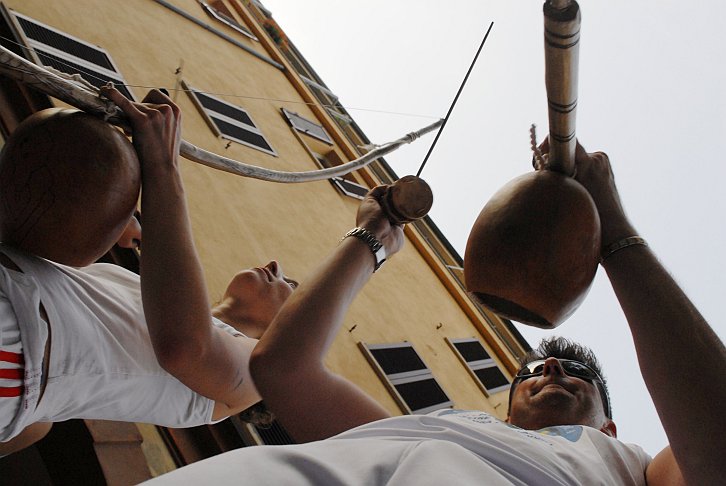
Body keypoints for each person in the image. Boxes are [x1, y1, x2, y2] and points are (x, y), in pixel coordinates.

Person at [142, 142, 725, 485]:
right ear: (506, 407)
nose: (547, 371)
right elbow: (283, 369)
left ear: (610, 428)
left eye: (577, 376)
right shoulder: (440, 428)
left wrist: (614, 229)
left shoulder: (633, 469)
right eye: (530, 371)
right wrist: (372, 236)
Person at [0, 87, 296, 456]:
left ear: (288, 332)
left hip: (14, 347)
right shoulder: (139, 289)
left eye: (291, 284)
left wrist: (163, 164)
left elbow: (186, 349)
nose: (275, 267)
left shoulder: (253, 373)